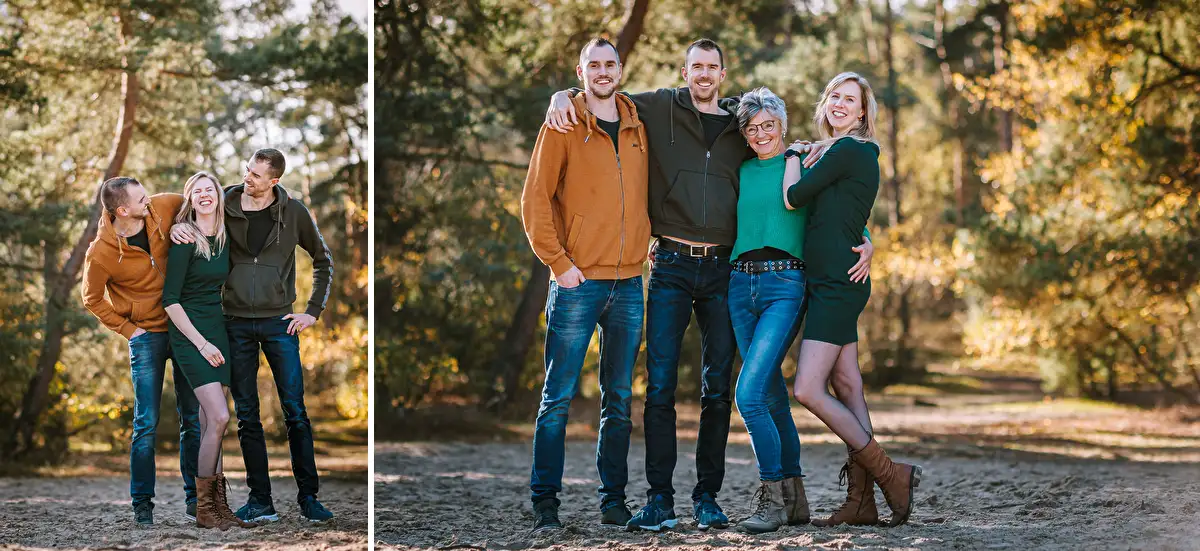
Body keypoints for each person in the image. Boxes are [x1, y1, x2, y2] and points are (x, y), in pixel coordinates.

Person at [545, 39, 874, 532]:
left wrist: (867, 239)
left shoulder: (763, 140)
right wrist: (564, 95)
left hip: (734, 274)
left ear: (723, 73)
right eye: (695, 66)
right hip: (676, 267)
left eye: (712, 67)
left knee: (721, 389)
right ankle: (661, 498)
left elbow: (830, 205)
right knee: (659, 384)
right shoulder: (659, 107)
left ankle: (709, 498)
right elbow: (604, 88)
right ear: (685, 70)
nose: (703, 74)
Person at [724, 88, 873, 534]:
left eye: (770, 125)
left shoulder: (805, 163)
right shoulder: (743, 171)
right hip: (738, 284)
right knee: (769, 396)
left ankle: (770, 496)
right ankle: (794, 500)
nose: (762, 134)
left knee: (748, 395)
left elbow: (838, 212)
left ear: (783, 126)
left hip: (785, 283)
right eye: (752, 128)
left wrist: (868, 239)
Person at [521, 37, 650, 533]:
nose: (602, 71)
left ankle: (612, 501)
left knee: (618, 399)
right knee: (557, 397)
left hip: (628, 283)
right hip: (577, 283)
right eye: (593, 65)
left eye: (609, 64)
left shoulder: (640, 124)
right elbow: (535, 201)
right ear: (580, 71)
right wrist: (558, 263)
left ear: (620, 69)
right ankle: (545, 503)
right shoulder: (562, 123)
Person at [784, 72, 922, 528]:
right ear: (825, 103)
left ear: (863, 113)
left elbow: (795, 197)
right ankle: (861, 503)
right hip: (836, 278)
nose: (840, 104)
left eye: (850, 100)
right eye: (834, 97)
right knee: (848, 385)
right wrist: (867, 239)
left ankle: (890, 473)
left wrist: (790, 155)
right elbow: (843, 213)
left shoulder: (849, 149)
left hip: (836, 285)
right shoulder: (842, 153)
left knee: (807, 388)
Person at [171, 148, 335, 523]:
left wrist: (311, 312)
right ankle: (261, 501)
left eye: (256, 175)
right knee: (247, 416)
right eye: (247, 171)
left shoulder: (293, 212)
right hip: (235, 323)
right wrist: (176, 225)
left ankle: (309, 498)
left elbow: (324, 260)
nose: (248, 179)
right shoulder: (225, 201)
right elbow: (185, 205)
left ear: (274, 181)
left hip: (281, 322)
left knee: (296, 411)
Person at [81, 177, 202, 525]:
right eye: (141, 198)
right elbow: (91, 299)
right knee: (145, 423)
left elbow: (203, 201)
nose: (149, 200)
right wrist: (129, 330)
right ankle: (142, 505)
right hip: (146, 336)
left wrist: (185, 228)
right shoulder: (101, 252)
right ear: (122, 210)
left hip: (183, 328)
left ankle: (194, 499)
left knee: (191, 418)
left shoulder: (164, 206)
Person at [162, 172, 255, 530]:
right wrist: (200, 343)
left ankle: (220, 509)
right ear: (190, 198)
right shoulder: (185, 238)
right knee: (218, 418)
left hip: (217, 329)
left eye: (209, 189)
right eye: (196, 191)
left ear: (218, 195)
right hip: (190, 334)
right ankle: (203, 508)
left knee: (208, 422)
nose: (204, 195)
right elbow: (169, 301)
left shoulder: (226, 235)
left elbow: (249, 191)